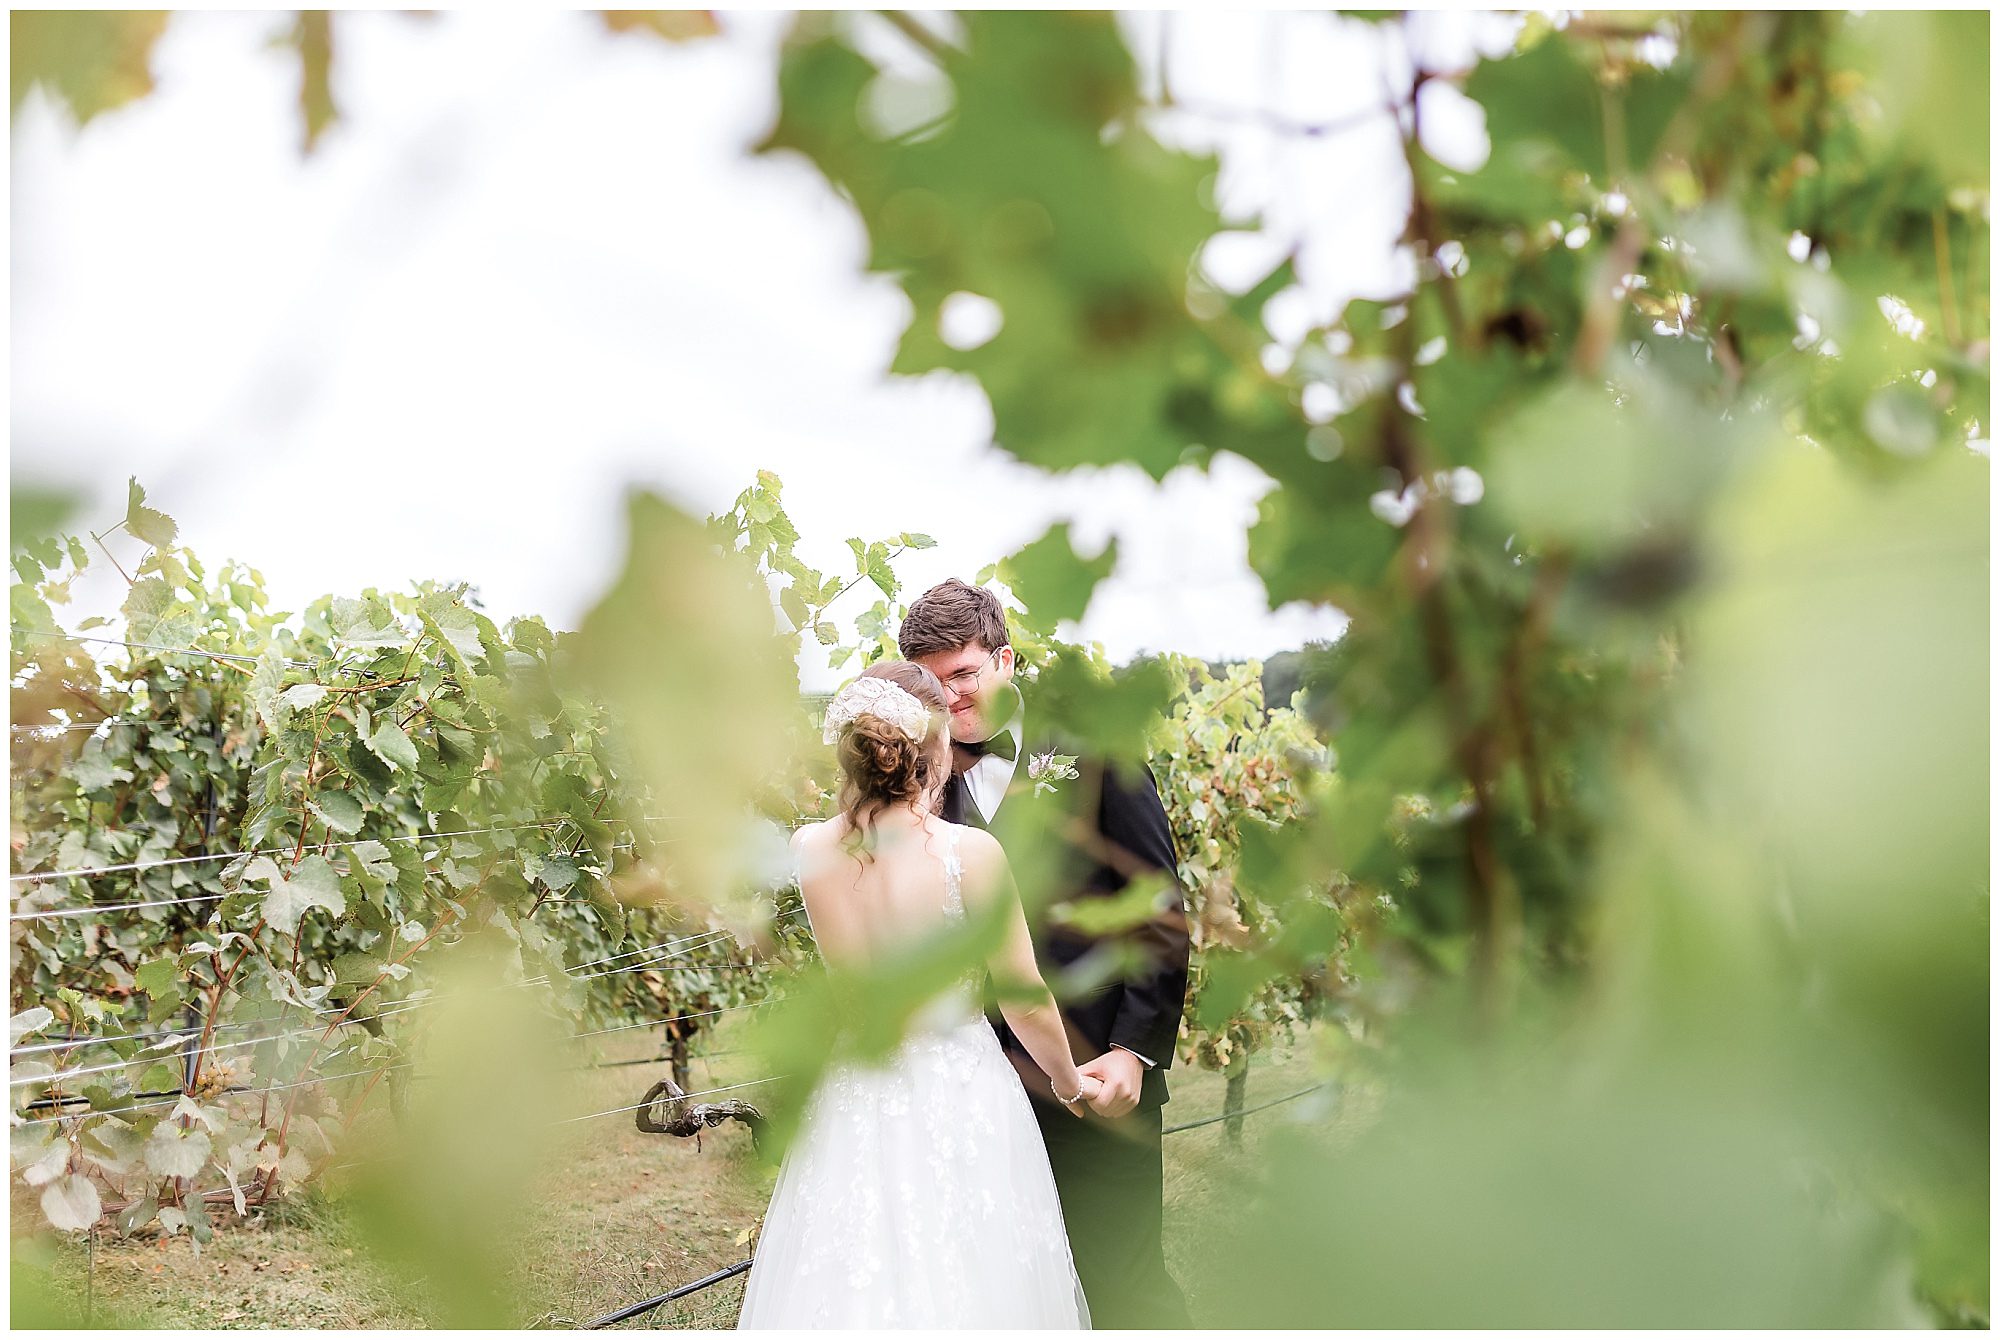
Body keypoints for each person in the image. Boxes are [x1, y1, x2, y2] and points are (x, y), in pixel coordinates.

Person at [737, 661, 1097, 1329]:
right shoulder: (970, 854)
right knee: (979, 1273)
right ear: (936, 749)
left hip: (859, 1085)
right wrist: (1071, 1085)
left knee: (853, 1273)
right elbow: (1022, 995)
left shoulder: (810, 847)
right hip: (965, 1085)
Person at [899, 579, 1194, 1329]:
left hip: (1099, 1079)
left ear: (1005, 659)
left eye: (964, 673)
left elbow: (1159, 909)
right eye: (933, 682)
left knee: (1126, 1288)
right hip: (975, 1091)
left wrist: (1133, 1050)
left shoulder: (1096, 752)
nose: (952, 697)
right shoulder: (913, 783)